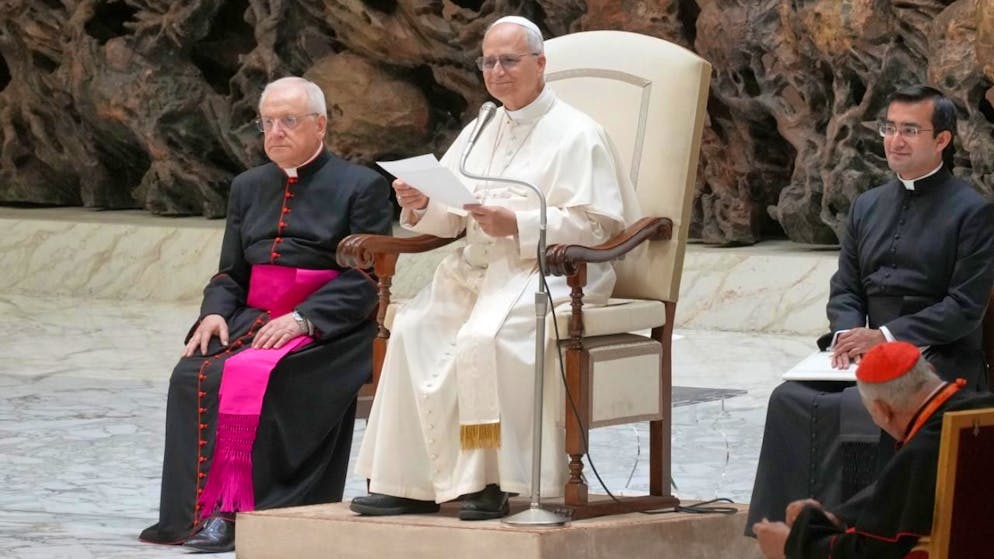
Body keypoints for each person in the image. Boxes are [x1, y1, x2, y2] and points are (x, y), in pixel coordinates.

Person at [350, 15, 640, 520]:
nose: (498, 72)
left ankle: (492, 482)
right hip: (475, 269)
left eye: (510, 60)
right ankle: (409, 482)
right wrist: (418, 201)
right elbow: (449, 212)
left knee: (484, 340)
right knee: (415, 329)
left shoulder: (578, 133)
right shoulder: (482, 126)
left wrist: (521, 223)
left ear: (541, 64)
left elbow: (599, 225)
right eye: (488, 61)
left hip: (545, 273)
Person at [139, 76, 392, 552]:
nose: (275, 131)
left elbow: (366, 279)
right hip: (252, 317)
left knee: (259, 376)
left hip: (330, 328)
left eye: (289, 121)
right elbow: (230, 272)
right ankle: (195, 517)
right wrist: (213, 314)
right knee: (191, 373)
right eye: (268, 122)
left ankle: (245, 514)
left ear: (321, 125)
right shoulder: (248, 186)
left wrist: (303, 318)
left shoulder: (363, 186)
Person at [747, 85, 994, 534]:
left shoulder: (973, 212)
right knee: (790, 400)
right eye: (890, 128)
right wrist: (846, 336)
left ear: (942, 140)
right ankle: (784, 533)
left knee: (866, 407)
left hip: (937, 351)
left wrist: (885, 337)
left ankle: (851, 536)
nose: (895, 140)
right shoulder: (867, 205)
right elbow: (845, 289)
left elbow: (964, 307)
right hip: (869, 348)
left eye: (910, 130)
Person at [753, 341, 994, 558]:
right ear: (931, 371)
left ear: (882, 411)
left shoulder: (922, 451)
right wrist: (838, 516)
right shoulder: (981, 411)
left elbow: (871, 552)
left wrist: (793, 544)